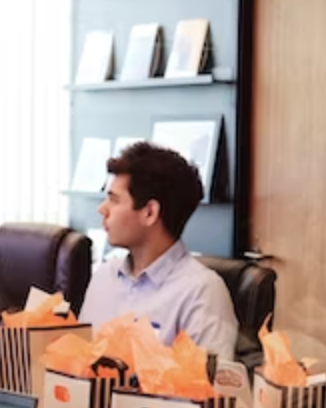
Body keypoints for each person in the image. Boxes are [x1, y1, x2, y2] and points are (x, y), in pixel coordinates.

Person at [79, 141, 238, 359]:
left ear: (149, 213)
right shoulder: (104, 276)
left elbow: (208, 388)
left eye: (114, 200)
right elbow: (75, 366)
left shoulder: (202, 292)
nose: (102, 209)